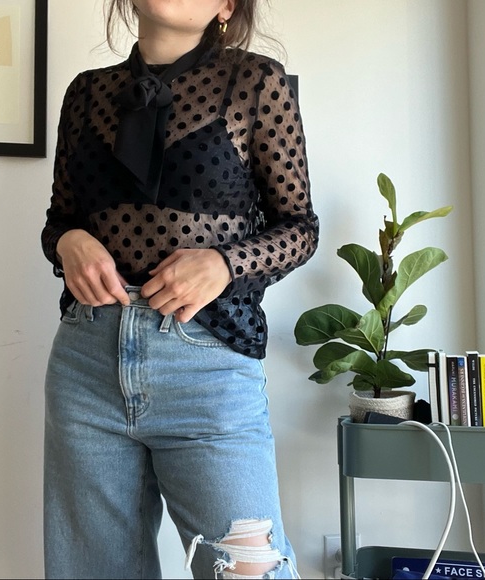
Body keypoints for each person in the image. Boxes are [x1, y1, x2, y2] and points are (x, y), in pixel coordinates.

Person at [41, 1, 318, 578]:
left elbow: (300, 228)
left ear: (226, 7)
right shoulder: (86, 92)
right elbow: (58, 220)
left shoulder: (255, 82)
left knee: (249, 568)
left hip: (206, 364)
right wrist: (68, 241)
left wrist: (225, 262)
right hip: (87, 360)